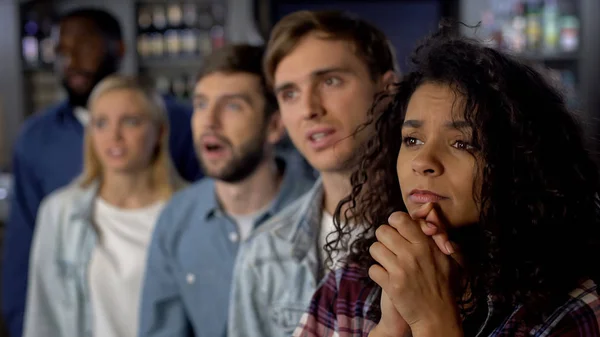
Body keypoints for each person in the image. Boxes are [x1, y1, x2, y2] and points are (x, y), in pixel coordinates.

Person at [293, 24, 600, 337]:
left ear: (520, 162)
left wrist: (431, 320)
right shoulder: (351, 282)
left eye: (462, 143)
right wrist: (391, 327)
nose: (424, 162)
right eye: (412, 140)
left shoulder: (572, 307)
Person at [2, 9, 200, 337]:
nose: (71, 59)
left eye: (84, 46)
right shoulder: (37, 142)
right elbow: (26, 263)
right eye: (62, 50)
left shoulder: (180, 124)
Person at [228, 10, 398, 337]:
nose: (309, 108)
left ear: (386, 90)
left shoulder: (439, 229)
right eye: (289, 93)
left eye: (330, 81)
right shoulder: (265, 251)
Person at [138, 43, 314, 337]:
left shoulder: (319, 210)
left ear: (274, 125)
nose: (210, 122)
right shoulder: (177, 217)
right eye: (201, 104)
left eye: (232, 106)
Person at [22, 75, 185, 337]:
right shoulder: (62, 212)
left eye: (130, 122)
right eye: (101, 123)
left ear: (160, 132)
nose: (114, 136)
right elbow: (44, 317)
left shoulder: (189, 211)